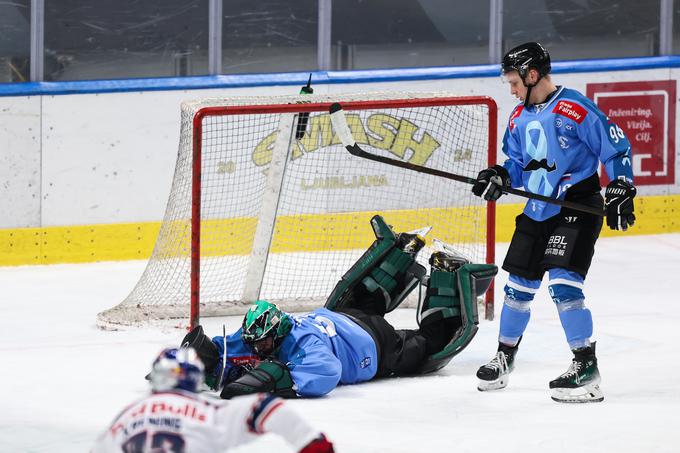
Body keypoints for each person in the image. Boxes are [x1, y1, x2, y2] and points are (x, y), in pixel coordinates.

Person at [471, 42, 636, 403]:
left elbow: (616, 146)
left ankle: (586, 367)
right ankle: (504, 357)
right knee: (517, 288)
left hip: (576, 205)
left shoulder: (574, 107)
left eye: (514, 82)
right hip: (537, 208)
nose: (512, 90)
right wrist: (499, 175)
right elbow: (517, 163)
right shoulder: (518, 118)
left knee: (564, 286)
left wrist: (622, 184)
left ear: (532, 75)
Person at [182, 215, 497, 399]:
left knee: (429, 345)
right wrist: (198, 356)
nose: (258, 347)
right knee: (371, 297)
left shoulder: (304, 344)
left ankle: (448, 270)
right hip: (347, 317)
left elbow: (327, 372)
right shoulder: (267, 327)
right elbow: (225, 347)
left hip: (378, 345)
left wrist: (276, 380)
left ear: (277, 333)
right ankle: (405, 249)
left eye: (263, 343)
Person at [91, 347, 334, 453]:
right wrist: (312, 444)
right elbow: (268, 407)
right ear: (195, 376)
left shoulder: (126, 415)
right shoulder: (208, 411)